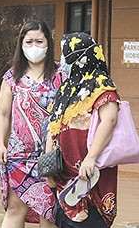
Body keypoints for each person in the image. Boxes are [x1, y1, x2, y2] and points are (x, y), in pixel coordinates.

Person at [47, 33, 120, 227]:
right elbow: (52, 127)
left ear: (79, 57)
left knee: (90, 221)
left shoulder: (101, 86)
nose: (63, 61)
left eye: (66, 55)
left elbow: (109, 120)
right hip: (64, 175)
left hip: (90, 172)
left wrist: (91, 157)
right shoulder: (66, 89)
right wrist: (48, 168)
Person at [0, 20, 61, 227]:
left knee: (48, 212)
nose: (34, 46)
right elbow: (2, 114)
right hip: (18, 155)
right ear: (21, 45)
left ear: (48, 44)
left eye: (39, 41)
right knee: (16, 208)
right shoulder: (12, 77)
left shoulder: (60, 76)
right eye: (29, 41)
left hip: (51, 157)